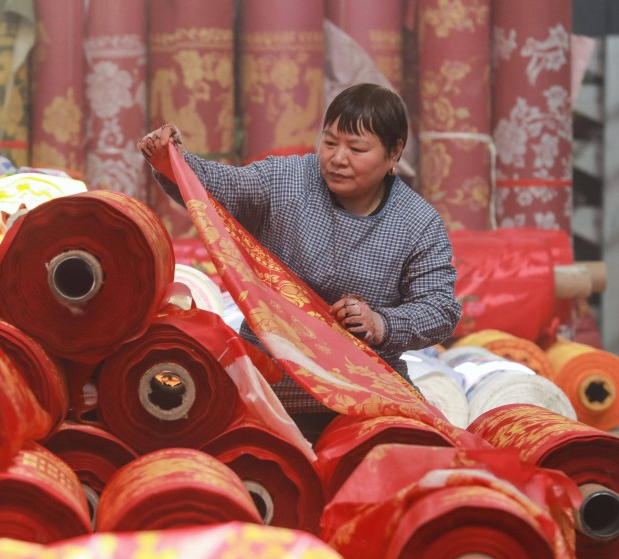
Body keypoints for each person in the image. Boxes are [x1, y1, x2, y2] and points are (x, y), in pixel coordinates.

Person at [138, 82, 462, 442]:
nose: (338, 158)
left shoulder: (418, 223)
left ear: (394, 153)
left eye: (356, 148)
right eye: (329, 142)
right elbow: (223, 185)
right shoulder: (286, 180)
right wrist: (174, 160)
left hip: (367, 398)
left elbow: (440, 310)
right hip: (272, 391)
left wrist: (380, 322)